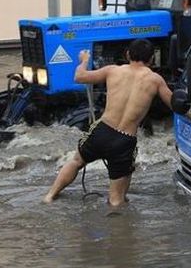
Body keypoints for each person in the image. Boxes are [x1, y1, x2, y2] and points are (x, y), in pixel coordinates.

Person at [43, 39, 173, 206]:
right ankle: (118, 226)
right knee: (116, 200)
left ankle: (50, 196)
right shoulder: (156, 80)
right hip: (125, 140)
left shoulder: (113, 70)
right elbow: (173, 104)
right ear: (151, 59)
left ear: (127, 54)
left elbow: (79, 76)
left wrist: (84, 60)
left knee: (76, 161)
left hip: (102, 130)